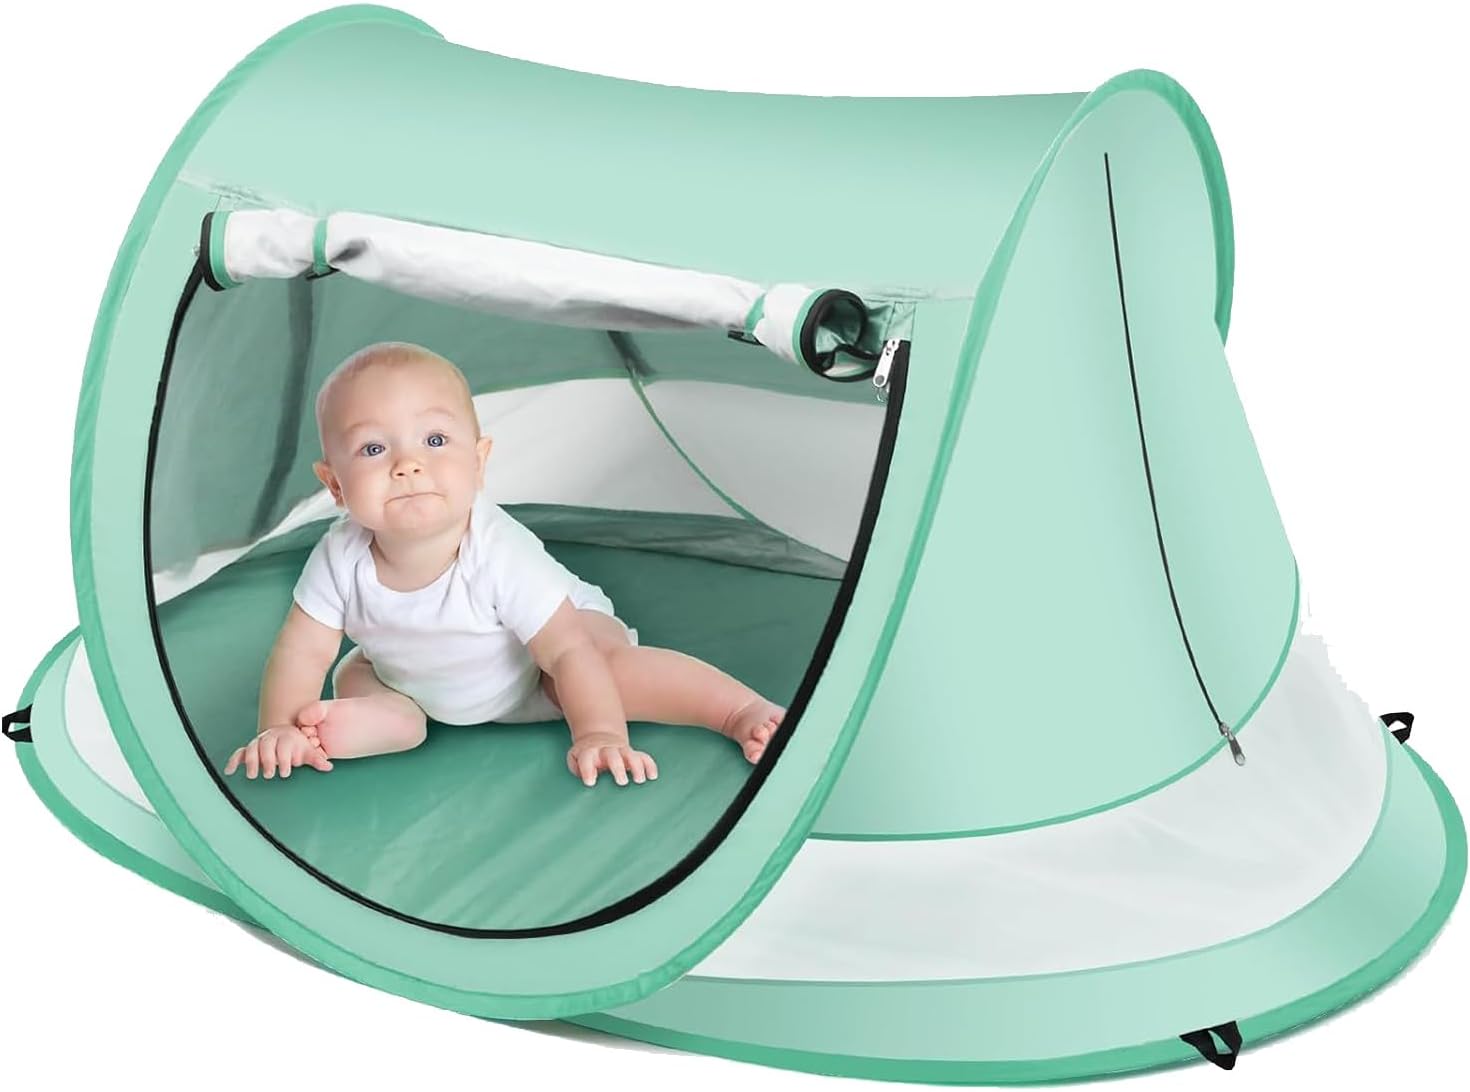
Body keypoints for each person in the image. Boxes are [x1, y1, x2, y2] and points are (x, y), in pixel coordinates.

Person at [223, 341, 785, 787]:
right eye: (374, 449)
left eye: (435, 440)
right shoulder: (338, 556)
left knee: (606, 669)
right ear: (335, 486)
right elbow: (303, 651)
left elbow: (567, 650)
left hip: (542, 668)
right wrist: (278, 727)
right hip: (415, 682)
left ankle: (737, 711)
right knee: (354, 672)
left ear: (479, 461)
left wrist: (599, 733)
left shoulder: (495, 551)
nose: (408, 465)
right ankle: (389, 722)